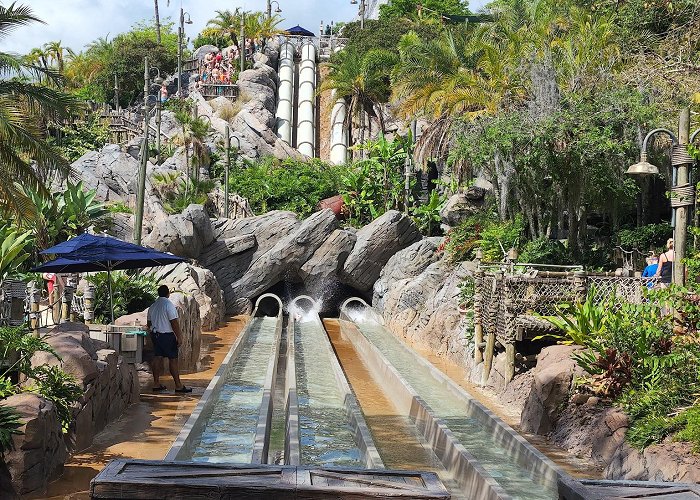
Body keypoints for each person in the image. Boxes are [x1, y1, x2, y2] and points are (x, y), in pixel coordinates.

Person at [146, 285, 191, 393]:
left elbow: (148, 323)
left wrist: (155, 329)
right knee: (173, 360)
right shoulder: (168, 305)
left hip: (156, 335)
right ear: (168, 293)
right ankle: (178, 385)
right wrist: (179, 337)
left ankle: (156, 383)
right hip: (167, 336)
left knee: (157, 357)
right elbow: (174, 322)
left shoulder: (153, 306)